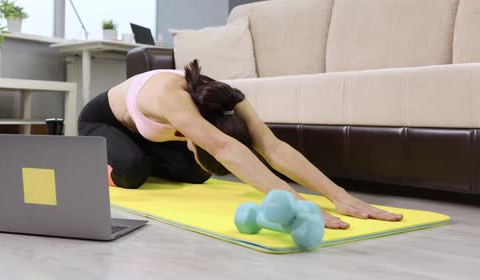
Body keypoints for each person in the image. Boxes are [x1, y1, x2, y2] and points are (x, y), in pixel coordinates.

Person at [78, 59, 403, 229]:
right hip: (103, 121)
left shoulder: (231, 100)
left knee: (197, 174)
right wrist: (297, 202)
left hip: (153, 133)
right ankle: (102, 163)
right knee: (132, 172)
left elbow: (272, 147)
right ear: (193, 139)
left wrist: (339, 196)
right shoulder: (170, 99)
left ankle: (142, 157)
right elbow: (222, 148)